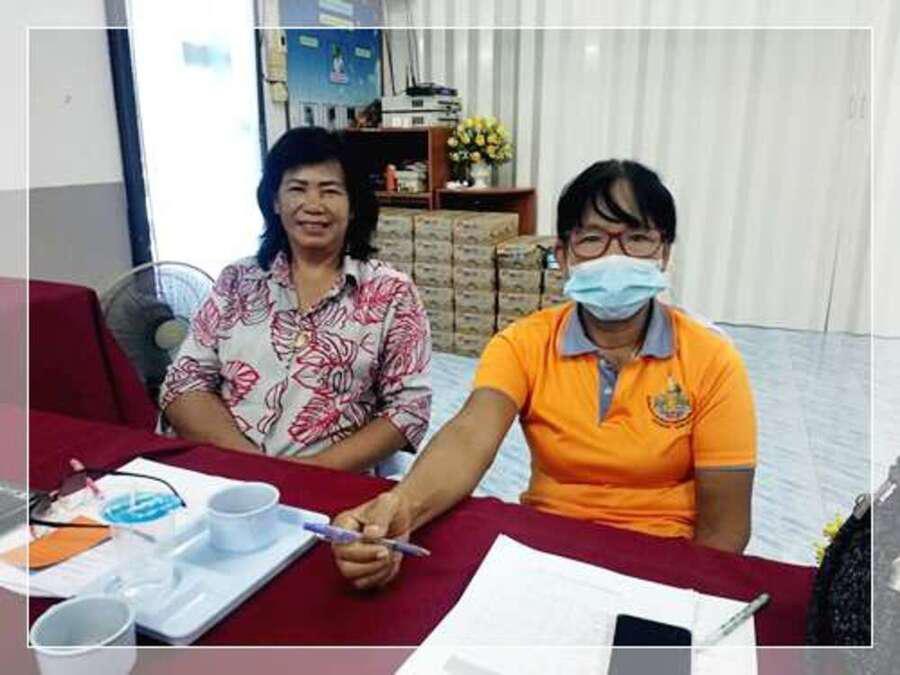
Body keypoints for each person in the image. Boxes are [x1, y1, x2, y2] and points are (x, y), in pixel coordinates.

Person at [331, 160, 757, 589]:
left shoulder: (711, 357)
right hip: (550, 553)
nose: (615, 257)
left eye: (638, 238)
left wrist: (682, 602)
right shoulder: (524, 343)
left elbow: (725, 529)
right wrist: (403, 506)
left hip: (662, 562)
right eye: (592, 239)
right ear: (563, 256)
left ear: (663, 253)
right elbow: (469, 436)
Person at [158, 127, 432, 472]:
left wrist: (307, 473)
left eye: (330, 191)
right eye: (297, 189)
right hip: (225, 474)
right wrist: (250, 464)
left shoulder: (391, 293)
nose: (313, 205)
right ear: (275, 201)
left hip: (327, 483)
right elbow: (183, 382)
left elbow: (408, 409)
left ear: (353, 206)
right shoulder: (236, 281)